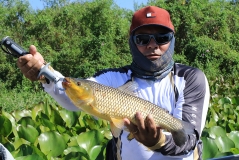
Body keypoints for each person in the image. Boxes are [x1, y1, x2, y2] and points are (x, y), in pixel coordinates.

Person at [17, 6, 210, 160]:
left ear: (172, 40)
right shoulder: (112, 78)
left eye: (162, 38)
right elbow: (71, 96)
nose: (152, 45)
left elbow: (188, 142)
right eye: (143, 39)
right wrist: (45, 73)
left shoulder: (190, 78)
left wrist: (157, 140)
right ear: (132, 42)